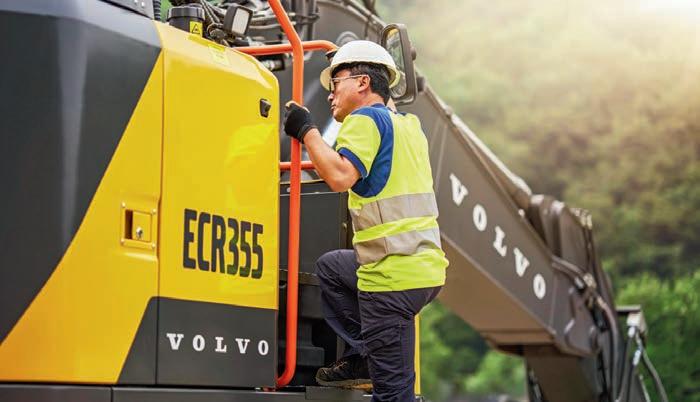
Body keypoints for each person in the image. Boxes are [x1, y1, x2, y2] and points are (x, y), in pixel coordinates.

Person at [282, 40, 448, 402]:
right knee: (332, 267)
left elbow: (340, 176)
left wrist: (306, 130)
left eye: (335, 82)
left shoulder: (363, 120)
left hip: (390, 278)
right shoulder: (409, 125)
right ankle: (364, 358)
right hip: (424, 268)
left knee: (393, 397)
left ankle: (372, 358)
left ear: (362, 83)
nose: (330, 94)